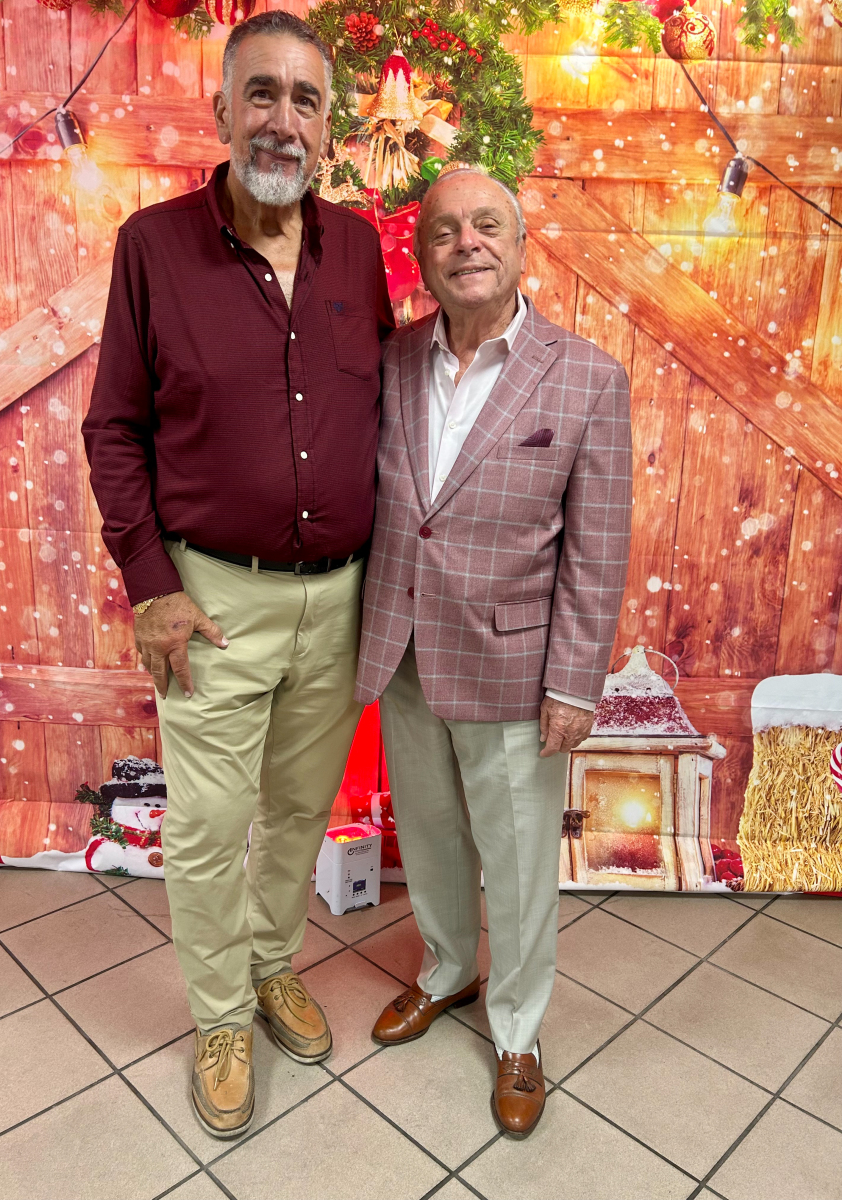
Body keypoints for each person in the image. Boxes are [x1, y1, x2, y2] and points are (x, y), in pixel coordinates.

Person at [83, 11, 394, 1140]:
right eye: (261, 92)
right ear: (221, 110)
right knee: (213, 824)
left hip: (340, 598)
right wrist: (151, 584)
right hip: (211, 601)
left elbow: (381, 409)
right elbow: (114, 428)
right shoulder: (153, 247)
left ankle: (271, 965)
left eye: (305, 99)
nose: (282, 119)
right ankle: (219, 1015)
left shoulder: (357, 251)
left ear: (328, 127)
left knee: (302, 808)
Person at [355, 166, 632, 1138]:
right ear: (422, 255)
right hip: (404, 650)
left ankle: (517, 1028)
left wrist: (575, 684)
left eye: (486, 226)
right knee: (430, 836)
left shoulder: (588, 377)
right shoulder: (389, 361)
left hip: (517, 668)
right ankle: (446, 971)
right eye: (444, 231)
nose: (465, 243)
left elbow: (598, 546)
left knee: (516, 864)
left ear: (520, 246)